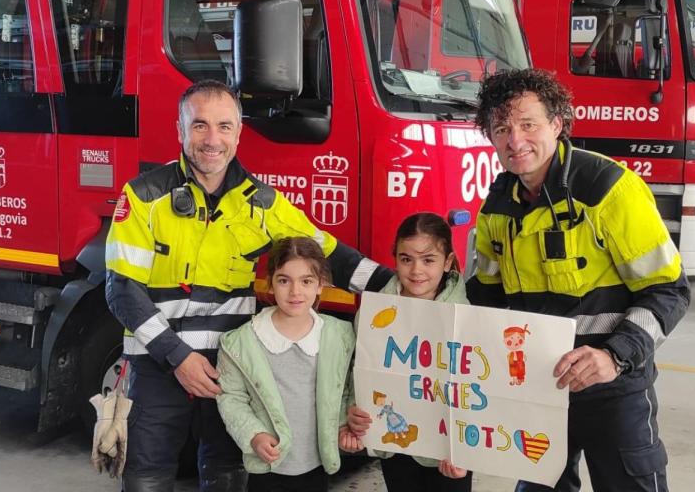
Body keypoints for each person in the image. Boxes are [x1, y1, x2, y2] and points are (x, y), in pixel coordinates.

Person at [104, 80, 389, 492]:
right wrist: (177, 356)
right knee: (147, 476)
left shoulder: (260, 202)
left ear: (238, 133)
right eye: (199, 126)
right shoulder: (144, 197)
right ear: (179, 130)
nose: (212, 139)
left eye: (224, 126)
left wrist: (402, 285)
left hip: (231, 367)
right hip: (158, 365)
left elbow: (327, 252)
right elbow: (121, 290)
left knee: (228, 475)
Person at [465, 68, 691, 492]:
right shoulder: (496, 207)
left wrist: (614, 357)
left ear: (556, 123)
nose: (515, 141)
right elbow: (488, 300)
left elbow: (669, 290)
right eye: (501, 129)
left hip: (614, 388)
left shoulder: (610, 189)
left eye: (528, 124)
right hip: (538, 387)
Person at [216, 237, 358, 492]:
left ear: (321, 285)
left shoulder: (339, 336)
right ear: (270, 284)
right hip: (268, 468)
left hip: (317, 465)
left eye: (306, 281)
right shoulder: (241, 343)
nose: (295, 292)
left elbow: (344, 390)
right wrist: (254, 435)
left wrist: (344, 426)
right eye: (284, 280)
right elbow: (232, 397)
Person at [344, 212, 473, 491]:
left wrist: (470, 449)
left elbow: (479, 391)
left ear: (448, 261)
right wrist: (353, 407)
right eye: (406, 259)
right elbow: (360, 368)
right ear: (395, 258)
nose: (416, 271)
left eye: (428, 260)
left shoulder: (469, 318)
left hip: (449, 451)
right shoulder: (373, 313)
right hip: (395, 444)